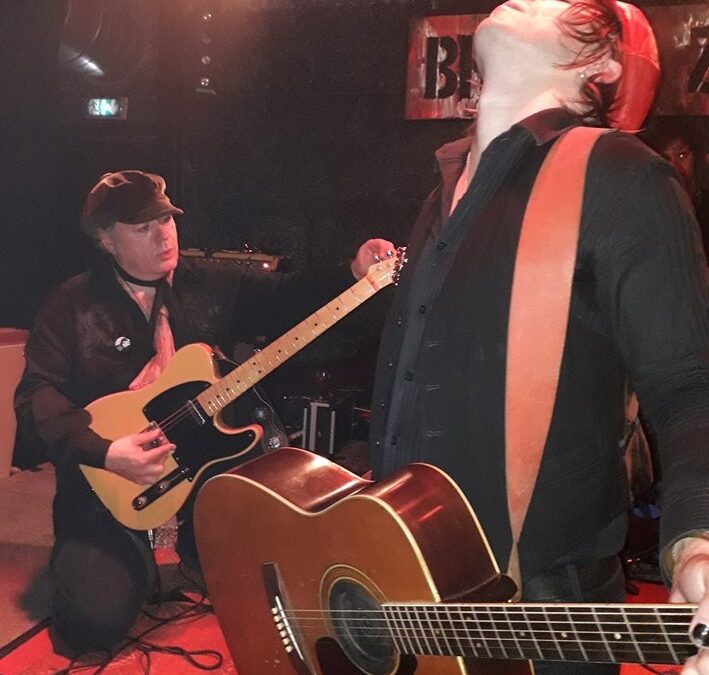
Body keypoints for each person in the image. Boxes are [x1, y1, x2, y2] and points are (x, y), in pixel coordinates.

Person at [368, 1, 709, 674]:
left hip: (536, 623)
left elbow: (689, 388)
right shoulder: (443, 192)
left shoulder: (621, 176)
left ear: (599, 63)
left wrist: (696, 544)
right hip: (408, 593)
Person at [14, 169, 394, 654]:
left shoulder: (208, 284)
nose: (163, 236)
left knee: (273, 580)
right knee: (91, 624)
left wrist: (352, 272)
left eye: (166, 221)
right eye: (142, 228)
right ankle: (114, 557)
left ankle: (197, 544)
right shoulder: (71, 304)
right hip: (108, 481)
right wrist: (105, 452)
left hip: (205, 472)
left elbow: (286, 294)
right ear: (106, 240)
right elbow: (35, 396)